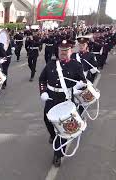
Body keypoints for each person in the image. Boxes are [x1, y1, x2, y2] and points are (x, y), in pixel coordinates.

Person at [39, 39, 86, 167]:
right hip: (51, 98)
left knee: (63, 127)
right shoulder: (51, 64)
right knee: (47, 120)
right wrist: (43, 92)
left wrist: (79, 86)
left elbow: (84, 82)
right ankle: (53, 135)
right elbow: (42, 79)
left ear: (71, 51)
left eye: (66, 50)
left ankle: (58, 154)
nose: (63, 53)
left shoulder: (76, 65)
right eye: (61, 50)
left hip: (66, 100)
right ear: (58, 51)